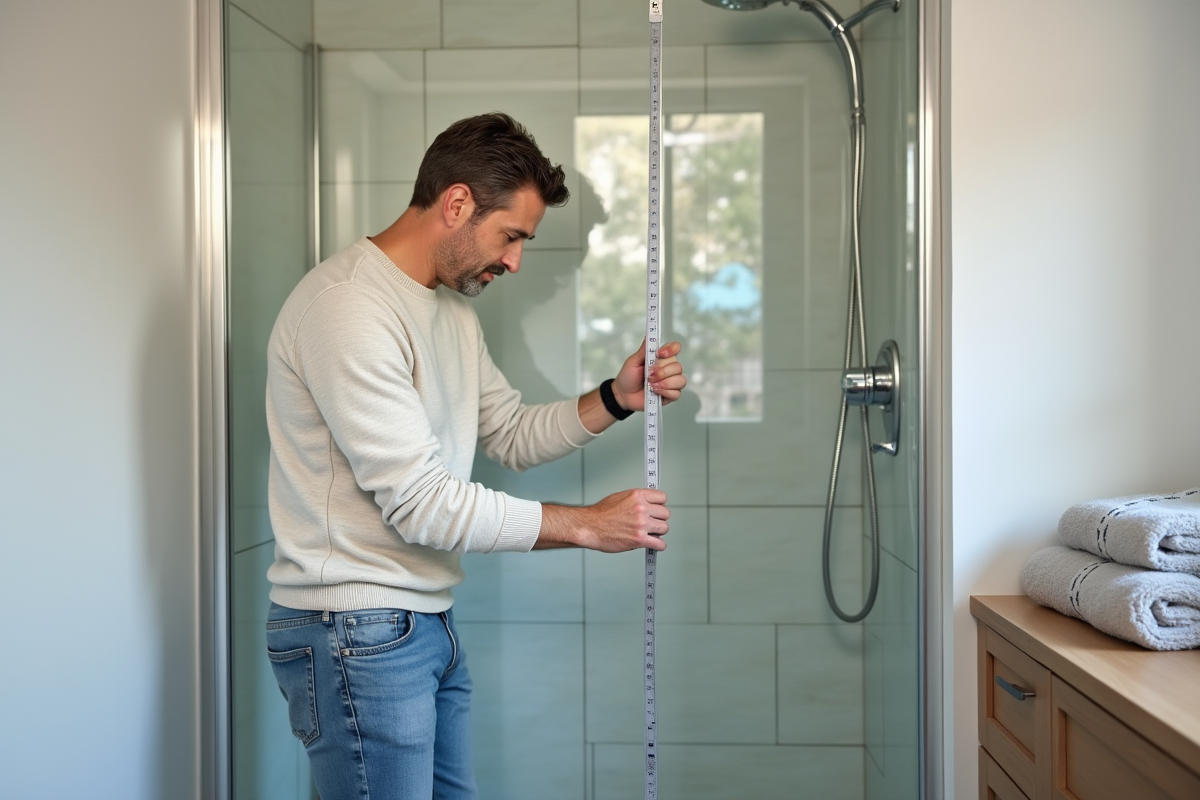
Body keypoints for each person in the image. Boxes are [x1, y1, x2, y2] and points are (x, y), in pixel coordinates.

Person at [263, 112, 687, 800]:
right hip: (355, 631)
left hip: (418, 622)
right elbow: (423, 505)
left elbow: (511, 432)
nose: (515, 261)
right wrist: (586, 524)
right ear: (457, 204)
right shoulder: (348, 310)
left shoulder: (447, 310)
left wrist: (615, 397)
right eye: (512, 236)